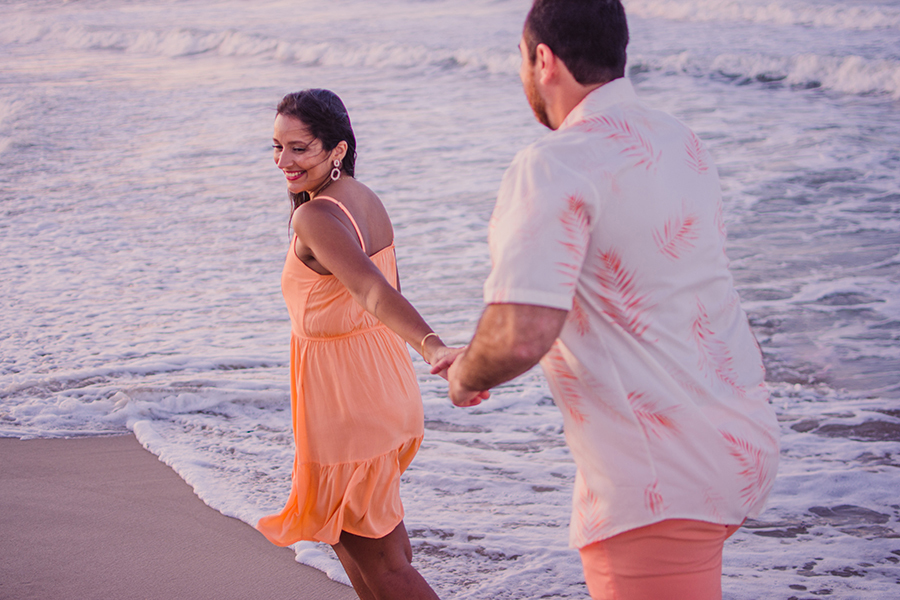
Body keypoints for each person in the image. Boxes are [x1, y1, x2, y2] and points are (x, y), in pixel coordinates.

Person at [432, 1, 780, 599]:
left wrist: (465, 376)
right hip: (736, 439)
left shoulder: (554, 164)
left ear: (544, 60)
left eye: (521, 58)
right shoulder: (678, 141)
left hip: (656, 479)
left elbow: (521, 334)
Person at [256, 89, 461, 600]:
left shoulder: (314, 217)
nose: (283, 161)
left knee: (385, 564)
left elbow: (374, 292)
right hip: (381, 388)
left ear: (337, 149)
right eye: (277, 147)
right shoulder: (364, 198)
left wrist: (435, 348)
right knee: (359, 542)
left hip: (350, 404)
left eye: (299, 148)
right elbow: (387, 291)